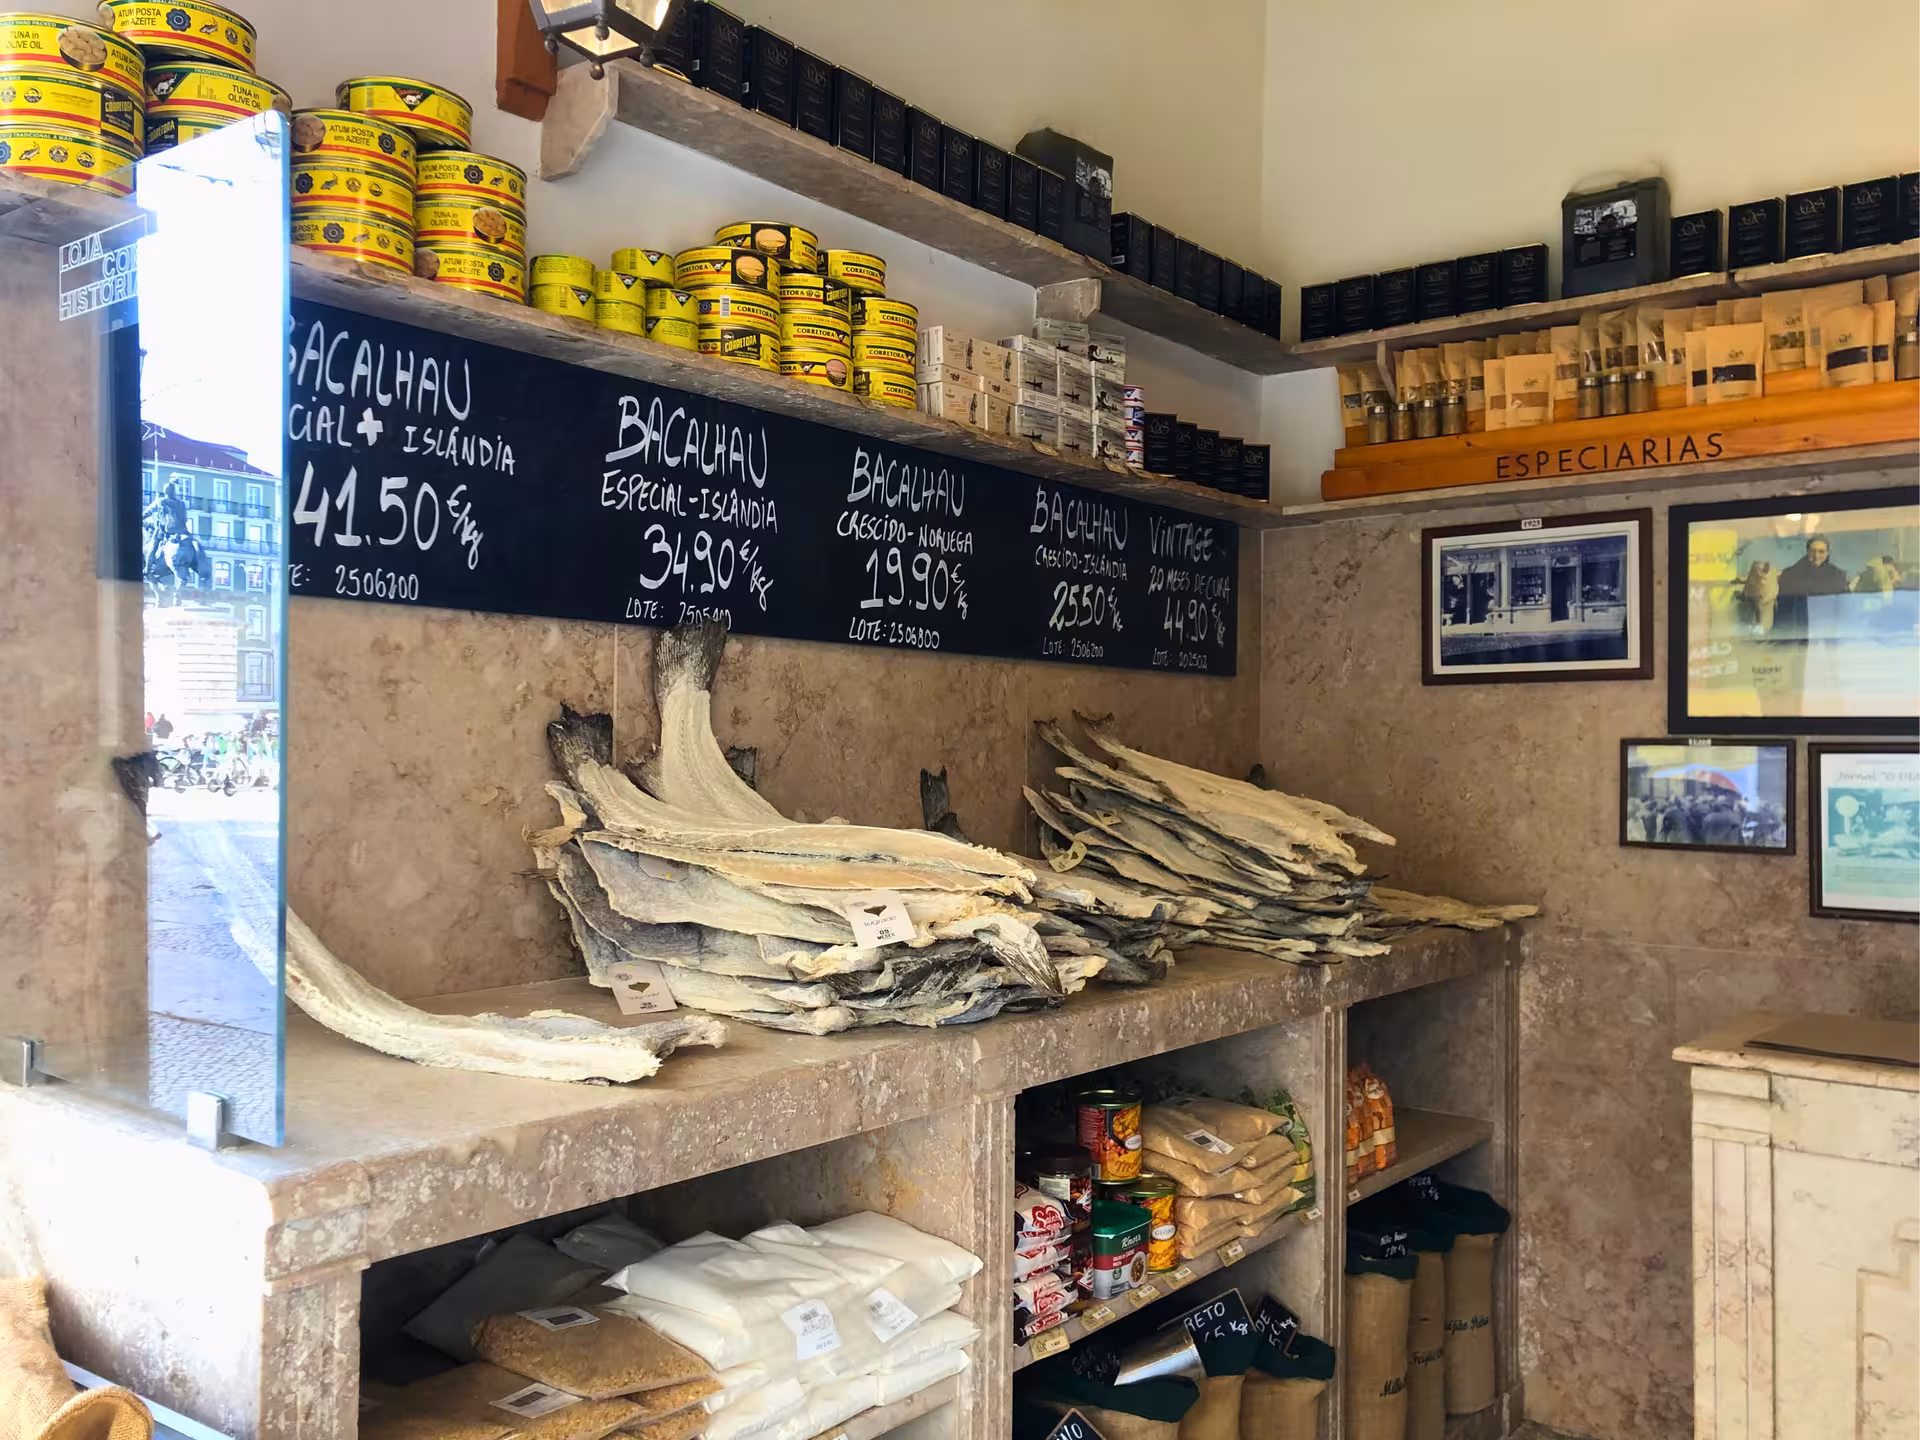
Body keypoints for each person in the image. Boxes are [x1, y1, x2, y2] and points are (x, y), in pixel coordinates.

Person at [1773, 535, 1850, 637]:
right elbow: (1783, 607)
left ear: (1827, 553)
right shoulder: (1790, 574)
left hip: (1829, 630)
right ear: (1807, 551)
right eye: (1813, 551)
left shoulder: (1838, 575)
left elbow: (1845, 604)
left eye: (1821, 552)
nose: (1816, 555)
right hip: (1799, 630)